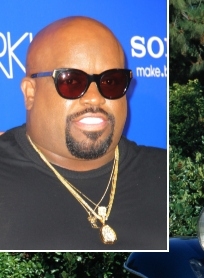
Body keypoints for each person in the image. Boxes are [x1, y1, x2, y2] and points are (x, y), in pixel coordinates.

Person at [0, 16, 167, 250]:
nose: (94, 97)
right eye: (72, 81)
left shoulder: (166, 173)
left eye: (111, 81)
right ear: (30, 93)